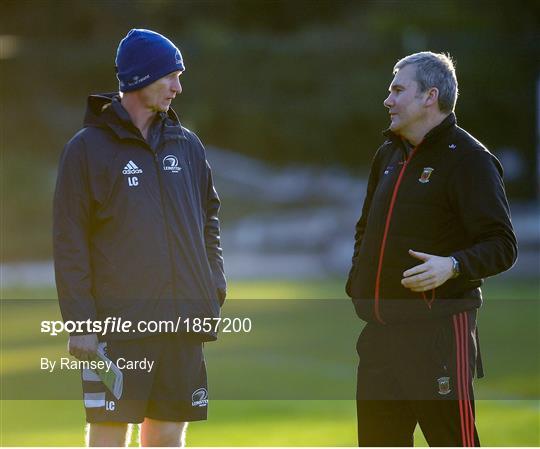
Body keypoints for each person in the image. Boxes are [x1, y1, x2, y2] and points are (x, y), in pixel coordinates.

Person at [53, 29, 226, 447]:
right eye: (169, 76)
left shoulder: (188, 146)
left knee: (167, 434)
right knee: (111, 432)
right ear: (139, 79)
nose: (177, 88)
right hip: (118, 324)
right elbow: (69, 241)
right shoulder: (86, 150)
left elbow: (209, 220)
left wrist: (213, 286)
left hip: (182, 320)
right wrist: (81, 323)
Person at [346, 52, 517, 447]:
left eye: (397, 90)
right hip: (379, 336)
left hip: (438, 335)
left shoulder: (471, 160)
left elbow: (503, 245)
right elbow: (364, 227)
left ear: (430, 96)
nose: (387, 100)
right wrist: (358, 281)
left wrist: (454, 265)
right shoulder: (387, 154)